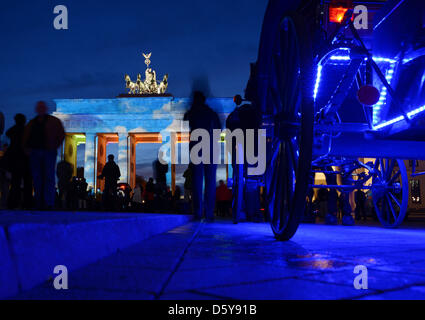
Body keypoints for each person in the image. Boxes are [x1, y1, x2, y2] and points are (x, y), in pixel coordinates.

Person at [184, 91, 221, 222]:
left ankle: (198, 212)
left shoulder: (192, 112)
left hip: (196, 148)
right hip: (211, 147)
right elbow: (219, 130)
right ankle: (210, 212)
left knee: (197, 180)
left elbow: (185, 120)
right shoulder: (212, 113)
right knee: (210, 181)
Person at [226, 94, 262, 223]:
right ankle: (253, 213)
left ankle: (240, 211)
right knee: (252, 181)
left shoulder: (235, 115)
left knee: (239, 179)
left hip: (240, 149)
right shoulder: (255, 115)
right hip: (252, 150)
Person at [23, 101, 65, 210]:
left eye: (42, 107)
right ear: (37, 109)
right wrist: (27, 149)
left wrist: (54, 146)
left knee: (48, 177)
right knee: (37, 178)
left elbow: (61, 134)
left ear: (45, 108)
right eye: (38, 107)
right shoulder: (32, 122)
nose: (40, 109)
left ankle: (48, 202)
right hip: (35, 153)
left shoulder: (54, 121)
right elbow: (25, 137)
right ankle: (39, 201)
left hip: (48, 152)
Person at [5, 114, 33, 209]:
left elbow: (7, 134)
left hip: (16, 162)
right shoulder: (27, 130)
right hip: (26, 160)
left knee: (15, 184)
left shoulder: (13, 131)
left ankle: (13, 203)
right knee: (28, 184)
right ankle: (27, 203)